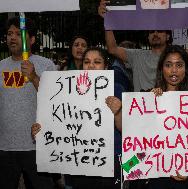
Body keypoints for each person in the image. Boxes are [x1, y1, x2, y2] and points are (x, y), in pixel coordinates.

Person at [32, 47, 129, 189]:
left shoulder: (117, 89)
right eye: (87, 62)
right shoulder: (68, 91)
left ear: (106, 67)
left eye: (97, 62)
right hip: (80, 160)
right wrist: (41, 132)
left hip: (111, 160)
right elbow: (60, 121)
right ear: (81, 65)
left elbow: (125, 129)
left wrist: (118, 112)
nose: (91, 65)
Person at [98, 0, 188, 92]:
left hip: (171, 108)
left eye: (160, 31)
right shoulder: (136, 55)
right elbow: (112, 49)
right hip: (142, 110)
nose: (155, 34)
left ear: (168, 36)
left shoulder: (176, 56)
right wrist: (107, 20)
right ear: (147, 37)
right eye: (152, 31)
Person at [0, 17, 57, 189]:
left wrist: (33, 77)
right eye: (9, 33)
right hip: (5, 147)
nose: (12, 37)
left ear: (31, 40)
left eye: (19, 34)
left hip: (37, 146)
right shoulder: (1, 66)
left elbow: (54, 99)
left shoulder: (46, 64)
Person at [147, 45, 188, 189]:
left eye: (179, 65)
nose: (174, 70)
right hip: (158, 174)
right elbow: (142, 140)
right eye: (168, 65)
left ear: (186, 69)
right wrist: (150, 105)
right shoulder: (148, 97)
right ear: (161, 69)